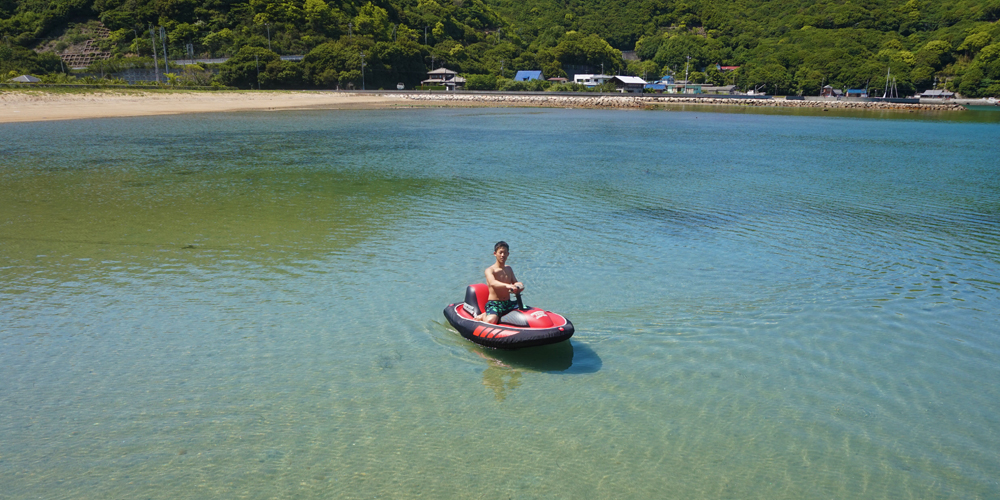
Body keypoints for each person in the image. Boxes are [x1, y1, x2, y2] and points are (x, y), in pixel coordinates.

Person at [474, 241, 524, 324]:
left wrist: (519, 285)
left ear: (508, 254)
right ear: (495, 253)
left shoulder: (509, 269)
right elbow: (493, 282)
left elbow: (515, 282)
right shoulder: (490, 270)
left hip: (508, 303)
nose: (502, 255)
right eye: (500, 252)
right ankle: (484, 315)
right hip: (495, 304)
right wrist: (508, 286)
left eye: (505, 253)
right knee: (491, 321)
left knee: (526, 311)